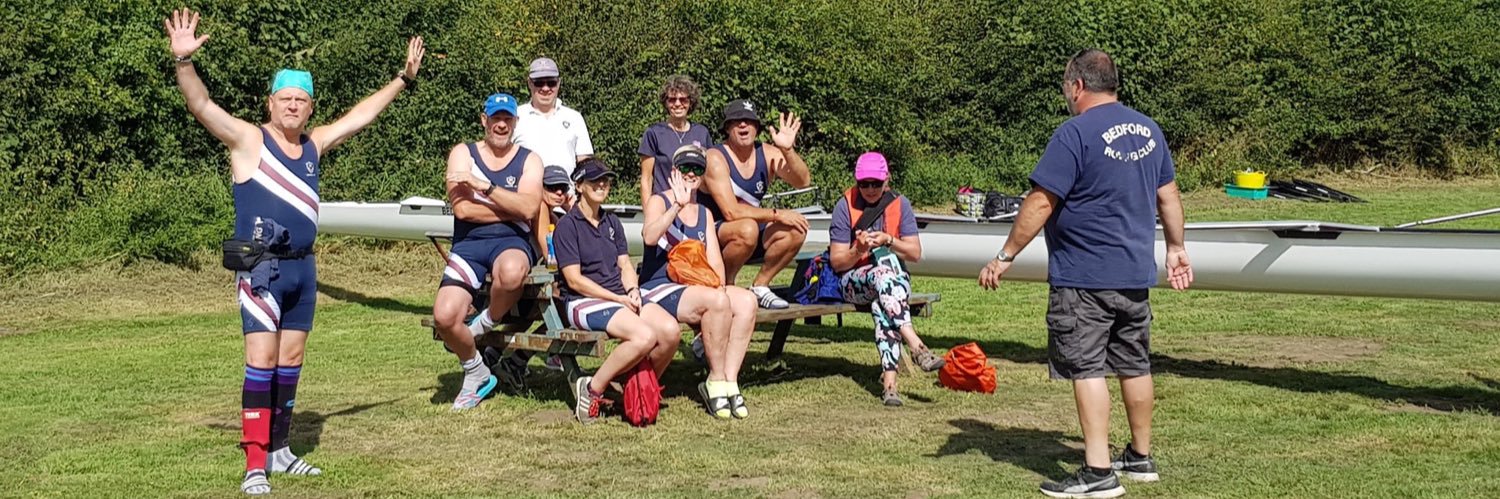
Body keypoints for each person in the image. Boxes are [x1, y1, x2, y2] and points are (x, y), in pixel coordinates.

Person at [164, 8, 424, 495]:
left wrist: (402, 81)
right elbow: (202, 107)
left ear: (310, 108)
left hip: (304, 271)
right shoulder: (247, 139)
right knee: (260, 361)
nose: (292, 107)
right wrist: (183, 63)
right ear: (270, 102)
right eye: (285, 99)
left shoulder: (314, 144)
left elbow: (359, 117)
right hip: (260, 268)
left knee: (291, 359)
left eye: (301, 101)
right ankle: (255, 464)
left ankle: (281, 450)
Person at [977, 49, 1193, 499]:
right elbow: (1168, 194)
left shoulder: (1074, 133)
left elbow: (1040, 202)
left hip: (1084, 276)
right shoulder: (1149, 130)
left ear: (1077, 85)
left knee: (1087, 367)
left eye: (1065, 86)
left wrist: (1006, 254)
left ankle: (1098, 472)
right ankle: (1139, 457)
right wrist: (1176, 248)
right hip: (1134, 273)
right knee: (1134, 364)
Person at [431, 92, 542, 411]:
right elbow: (464, 210)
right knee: (445, 316)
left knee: (511, 272)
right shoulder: (462, 154)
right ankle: (476, 370)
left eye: (507, 119)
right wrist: (513, 206)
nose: (502, 125)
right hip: (469, 243)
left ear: (515, 122)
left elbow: (531, 207)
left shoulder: (529, 159)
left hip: (512, 242)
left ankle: (484, 324)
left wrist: (484, 187)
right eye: (496, 118)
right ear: (484, 120)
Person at [553, 159, 681, 424]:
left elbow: (624, 264)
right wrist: (617, 298)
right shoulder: (568, 226)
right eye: (595, 180)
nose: (602, 185)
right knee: (644, 336)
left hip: (620, 296)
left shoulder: (612, 221)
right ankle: (592, 389)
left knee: (670, 331)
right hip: (583, 301)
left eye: (606, 180)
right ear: (579, 186)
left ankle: (632, 388)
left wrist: (633, 289)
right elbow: (574, 281)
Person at [640, 145, 759, 419]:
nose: (691, 174)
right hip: (659, 286)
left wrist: (719, 287)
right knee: (717, 301)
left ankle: (730, 380)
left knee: (746, 301)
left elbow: (715, 263)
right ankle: (714, 379)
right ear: (674, 172)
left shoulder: (704, 213)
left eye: (697, 169)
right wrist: (677, 208)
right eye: (685, 168)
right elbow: (649, 236)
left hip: (695, 287)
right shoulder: (660, 201)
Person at [828, 152, 946, 407]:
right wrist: (858, 250)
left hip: (893, 281)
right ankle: (917, 346)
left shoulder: (900, 205)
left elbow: (914, 253)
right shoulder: (843, 207)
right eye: (864, 184)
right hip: (854, 280)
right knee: (882, 279)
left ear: (887, 180)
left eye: (876, 183)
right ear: (856, 182)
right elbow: (837, 262)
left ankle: (890, 386)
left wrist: (889, 240)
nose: (870, 189)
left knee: (883, 303)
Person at [699, 99, 812, 308]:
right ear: (727, 128)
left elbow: (803, 181)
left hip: (747, 230)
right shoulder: (715, 158)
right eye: (737, 121)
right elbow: (731, 212)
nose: (743, 125)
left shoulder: (767, 152)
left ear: (757, 128)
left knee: (796, 228)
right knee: (747, 228)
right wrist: (777, 214)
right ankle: (724, 285)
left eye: (749, 121)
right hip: (712, 234)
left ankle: (760, 286)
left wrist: (787, 151)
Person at [512, 57, 593, 177]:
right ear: (529, 83)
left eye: (551, 83)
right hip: (525, 194)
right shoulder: (515, 117)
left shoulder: (574, 118)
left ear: (559, 83)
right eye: (539, 82)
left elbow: (584, 162)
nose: (545, 88)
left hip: (566, 193)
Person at [638, 75, 712, 202]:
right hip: (665, 205)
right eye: (672, 100)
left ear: (690, 102)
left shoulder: (702, 132)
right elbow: (646, 179)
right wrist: (649, 215)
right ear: (666, 103)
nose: (678, 104)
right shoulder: (654, 133)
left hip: (695, 207)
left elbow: (710, 174)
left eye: (683, 99)